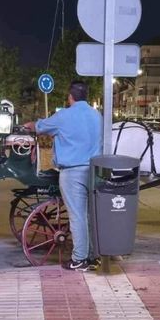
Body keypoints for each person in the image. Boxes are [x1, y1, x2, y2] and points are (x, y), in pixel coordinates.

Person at [24, 81, 102, 271]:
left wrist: (28, 126)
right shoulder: (97, 115)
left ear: (70, 97)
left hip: (72, 172)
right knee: (91, 215)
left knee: (77, 216)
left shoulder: (64, 116)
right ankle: (94, 256)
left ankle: (79, 259)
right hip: (95, 171)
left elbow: (40, 126)